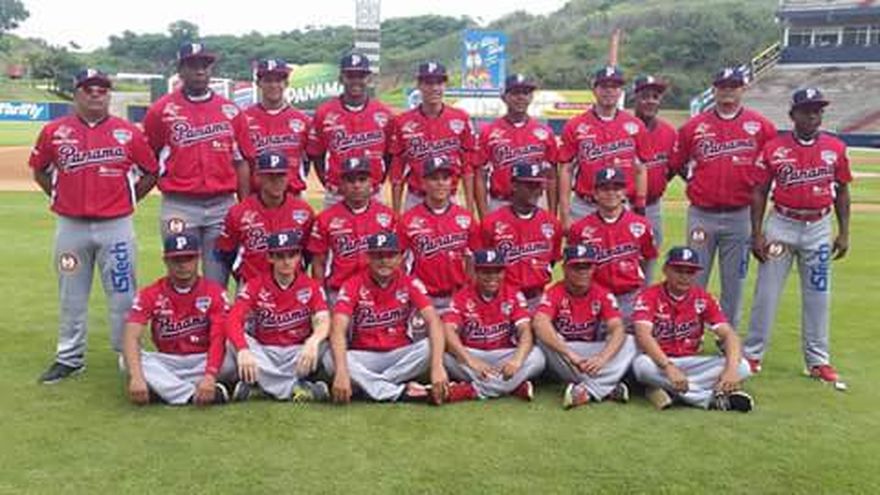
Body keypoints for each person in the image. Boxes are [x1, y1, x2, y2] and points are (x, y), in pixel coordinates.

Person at [32, 69, 158, 383]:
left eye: (102, 89)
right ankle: (69, 357)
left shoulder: (127, 132)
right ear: (76, 93)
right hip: (71, 228)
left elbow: (150, 172)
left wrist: (127, 199)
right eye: (88, 89)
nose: (95, 94)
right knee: (71, 294)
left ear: (108, 95)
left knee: (122, 294)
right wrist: (61, 196)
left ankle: (126, 354)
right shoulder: (54, 131)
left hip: (116, 226)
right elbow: (40, 170)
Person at [744, 88, 852, 388]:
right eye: (806, 111)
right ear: (792, 115)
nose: (812, 116)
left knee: (818, 295)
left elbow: (843, 190)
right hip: (782, 222)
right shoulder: (774, 147)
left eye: (817, 111)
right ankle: (752, 354)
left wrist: (844, 232)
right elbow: (759, 191)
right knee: (767, 293)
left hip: (818, 225)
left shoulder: (835, 147)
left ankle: (818, 361)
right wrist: (756, 233)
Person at [672, 66, 777, 330]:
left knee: (734, 281)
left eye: (734, 86)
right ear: (715, 89)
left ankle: (726, 336)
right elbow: (677, 162)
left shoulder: (761, 126)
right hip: (702, 214)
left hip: (740, 214)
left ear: (743, 88)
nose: (728, 91)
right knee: (693, 277)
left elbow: (770, 167)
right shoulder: (695, 126)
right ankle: (690, 332)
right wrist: (697, 182)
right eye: (723, 86)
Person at [143, 42, 256, 286]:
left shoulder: (230, 111)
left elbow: (241, 162)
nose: (200, 71)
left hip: (221, 206)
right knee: (181, 278)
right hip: (179, 205)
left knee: (217, 282)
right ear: (180, 70)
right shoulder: (161, 111)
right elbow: (149, 160)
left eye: (205, 65)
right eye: (193, 65)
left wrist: (244, 206)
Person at [325, 233, 449, 404]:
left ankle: (366, 386)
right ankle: (398, 392)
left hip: (399, 354)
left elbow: (433, 321)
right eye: (378, 256)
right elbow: (338, 328)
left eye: (390, 255)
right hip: (365, 355)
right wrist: (341, 372)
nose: (384, 261)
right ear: (368, 257)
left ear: (400, 258)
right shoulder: (353, 284)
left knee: (430, 347)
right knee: (329, 359)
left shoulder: (410, 282)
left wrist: (437, 366)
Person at [632, 247, 754, 412]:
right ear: (666, 270)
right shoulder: (649, 296)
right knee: (641, 366)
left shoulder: (703, 298)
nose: (684, 277)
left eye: (690, 272)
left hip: (692, 362)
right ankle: (709, 399)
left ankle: (667, 389)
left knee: (743, 367)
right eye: (679, 270)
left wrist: (731, 370)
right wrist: (668, 367)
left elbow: (729, 335)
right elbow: (643, 335)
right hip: (660, 361)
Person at [122, 233, 234, 406]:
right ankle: (191, 394)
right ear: (166, 261)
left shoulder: (214, 292)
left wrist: (210, 374)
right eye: (176, 259)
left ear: (198, 259)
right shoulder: (150, 293)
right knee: (125, 361)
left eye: (188, 258)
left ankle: (164, 389)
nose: (183, 265)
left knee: (233, 359)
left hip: (204, 358)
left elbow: (218, 338)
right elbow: (131, 336)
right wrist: (136, 377)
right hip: (169, 360)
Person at [225, 231, 331, 402]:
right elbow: (233, 319)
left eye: (291, 255)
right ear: (270, 257)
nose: (286, 261)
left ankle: (262, 387)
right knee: (231, 341)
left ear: (299, 256)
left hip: (298, 353)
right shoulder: (255, 285)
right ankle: (296, 388)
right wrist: (243, 349)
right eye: (280, 256)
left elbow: (324, 319)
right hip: (265, 352)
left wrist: (313, 341)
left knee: (327, 342)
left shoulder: (310, 286)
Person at [532, 244, 636, 409]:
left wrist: (602, 358)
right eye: (576, 267)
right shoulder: (555, 292)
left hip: (592, 353)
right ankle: (607, 387)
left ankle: (588, 390)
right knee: (542, 339)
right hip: (565, 355)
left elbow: (617, 327)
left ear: (593, 269)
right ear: (565, 268)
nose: (582, 272)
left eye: (587, 267)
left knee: (631, 341)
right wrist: (570, 354)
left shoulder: (602, 292)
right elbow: (540, 322)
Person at [441, 249, 546, 402]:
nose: (492, 277)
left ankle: (473, 391)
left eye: (497, 271)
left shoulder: (513, 294)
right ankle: (513, 385)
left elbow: (525, 331)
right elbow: (448, 330)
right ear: (476, 272)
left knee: (538, 357)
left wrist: (516, 361)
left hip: (504, 355)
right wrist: (470, 360)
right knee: (442, 355)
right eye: (486, 272)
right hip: (473, 353)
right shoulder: (461, 296)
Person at [558, 65, 650, 229]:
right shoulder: (575, 125)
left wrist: (640, 206)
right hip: (585, 206)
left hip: (622, 205)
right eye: (604, 86)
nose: (609, 91)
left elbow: (641, 169)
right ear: (594, 90)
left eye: (614, 87)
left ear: (621, 91)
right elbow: (566, 169)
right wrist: (564, 213)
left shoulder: (635, 125)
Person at [567, 167, 657, 318]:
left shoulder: (641, 225)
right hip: (595, 299)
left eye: (616, 188)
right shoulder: (580, 229)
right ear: (595, 194)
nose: (611, 193)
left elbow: (647, 259)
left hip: (630, 297)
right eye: (605, 189)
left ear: (624, 192)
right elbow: (572, 267)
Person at [307, 52, 393, 208]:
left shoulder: (384, 113)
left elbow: (389, 154)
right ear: (341, 78)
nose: (355, 81)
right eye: (350, 76)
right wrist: (327, 183)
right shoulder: (324, 112)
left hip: (372, 194)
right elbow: (316, 154)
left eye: (360, 76)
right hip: (337, 194)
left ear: (369, 79)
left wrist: (378, 182)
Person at [390, 61, 477, 213]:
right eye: (429, 83)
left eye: (439, 83)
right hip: (416, 197)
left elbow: (467, 167)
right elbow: (397, 170)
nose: (435, 88)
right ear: (419, 85)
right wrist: (396, 213)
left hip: (450, 197)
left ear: (445, 85)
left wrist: (469, 208)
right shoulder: (403, 121)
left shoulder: (460, 118)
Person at [307, 157, 398, 304]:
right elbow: (319, 263)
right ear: (341, 185)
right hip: (338, 293)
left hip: (377, 292)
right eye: (350, 181)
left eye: (362, 180)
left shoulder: (387, 217)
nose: (356, 185)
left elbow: (396, 261)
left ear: (371, 182)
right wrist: (321, 299)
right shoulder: (325, 219)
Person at [215, 151, 315, 284]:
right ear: (258, 177)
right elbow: (226, 252)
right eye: (270, 176)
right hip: (251, 285)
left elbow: (309, 252)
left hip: (291, 286)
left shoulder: (304, 211)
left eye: (281, 175)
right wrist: (240, 273)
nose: (276, 181)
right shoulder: (239, 212)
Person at [399, 156, 481, 314]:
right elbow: (398, 263)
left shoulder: (465, 219)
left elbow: (474, 258)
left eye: (445, 178)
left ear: (452, 182)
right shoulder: (408, 220)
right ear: (423, 183)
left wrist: (469, 290)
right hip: (423, 299)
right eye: (434, 178)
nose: (440, 183)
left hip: (457, 298)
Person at [474, 73, 558, 217]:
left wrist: (552, 214)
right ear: (504, 97)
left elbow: (552, 177)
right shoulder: (489, 132)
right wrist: (484, 216)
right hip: (501, 202)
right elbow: (480, 176)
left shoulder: (545, 133)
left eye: (525, 93)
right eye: (515, 93)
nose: (520, 97)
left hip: (534, 203)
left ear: (531, 97)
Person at [481, 163, 562, 310]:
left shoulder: (552, 223)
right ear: (514, 186)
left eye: (538, 186)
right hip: (503, 299)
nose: (535, 191)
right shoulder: (491, 223)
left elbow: (552, 260)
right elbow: (481, 265)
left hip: (537, 297)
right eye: (529, 185)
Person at [631, 75, 677, 284]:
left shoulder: (668, 132)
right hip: (622, 206)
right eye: (645, 96)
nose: (650, 101)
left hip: (652, 207)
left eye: (655, 97)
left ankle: (642, 305)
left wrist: (658, 183)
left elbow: (674, 167)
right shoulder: (623, 128)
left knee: (648, 265)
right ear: (635, 98)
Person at [244, 59, 312, 197]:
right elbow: (241, 162)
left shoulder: (303, 120)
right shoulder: (244, 119)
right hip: (256, 195)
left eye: (278, 80)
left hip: (292, 194)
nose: (273, 85)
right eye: (268, 81)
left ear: (286, 83)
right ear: (259, 83)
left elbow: (310, 158)